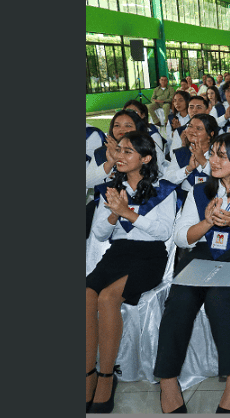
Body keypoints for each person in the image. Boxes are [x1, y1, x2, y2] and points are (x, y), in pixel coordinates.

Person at [155, 133, 230, 414]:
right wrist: (207, 222)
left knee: (220, 298)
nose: (212, 160)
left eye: (221, 155)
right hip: (205, 253)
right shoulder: (200, 191)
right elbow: (182, 238)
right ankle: (167, 380)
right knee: (180, 297)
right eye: (212, 154)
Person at [86, 131, 177, 413]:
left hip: (149, 255)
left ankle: (106, 375)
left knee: (108, 299)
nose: (120, 156)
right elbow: (100, 234)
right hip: (118, 253)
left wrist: (128, 213)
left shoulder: (163, 189)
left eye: (128, 152)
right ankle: (87, 372)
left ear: (145, 158)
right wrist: (113, 213)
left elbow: (164, 232)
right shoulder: (111, 188)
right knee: (86, 296)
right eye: (119, 150)